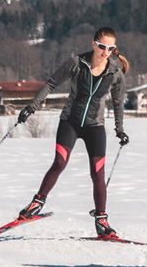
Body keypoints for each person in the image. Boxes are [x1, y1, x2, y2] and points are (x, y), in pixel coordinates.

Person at [12, 27, 131, 238]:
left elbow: (118, 103)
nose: (105, 51)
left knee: (98, 173)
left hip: (95, 126)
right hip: (71, 122)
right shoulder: (77, 63)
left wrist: (120, 130)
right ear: (94, 44)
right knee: (60, 162)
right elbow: (51, 84)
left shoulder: (115, 73)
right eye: (102, 46)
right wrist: (32, 107)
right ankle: (36, 204)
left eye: (110, 48)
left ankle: (102, 221)